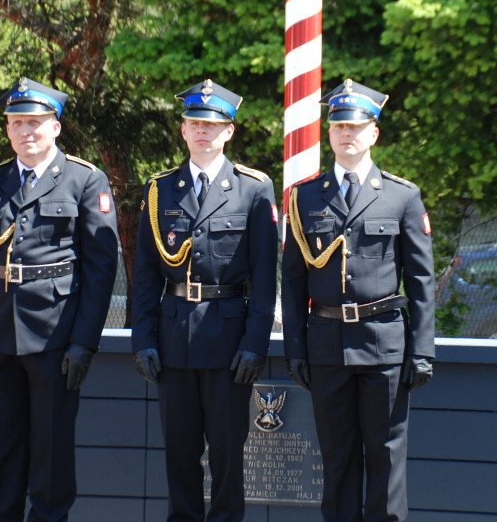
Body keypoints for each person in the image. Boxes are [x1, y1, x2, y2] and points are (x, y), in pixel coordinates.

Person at [0, 77, 120, 522]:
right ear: (7, 129)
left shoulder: (85, 180)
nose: (25, 131)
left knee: (50, 463)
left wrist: (84, 342)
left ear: (55, 127)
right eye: (16, 122)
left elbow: (101, 271)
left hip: (55, 339)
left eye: (35, 122)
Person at [282, 79, 436, 522]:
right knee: (336, 459)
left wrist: (422, 351)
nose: (346, 133)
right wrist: (296, 349)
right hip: (327, 344)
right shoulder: (304, 197)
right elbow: (292, 282)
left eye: (355, 126)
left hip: (383, 344)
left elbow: (421, 280)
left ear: (374, 133)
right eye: (338, 126)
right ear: (329, 133)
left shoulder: (402, 196)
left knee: (386, 459)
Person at [131, 79, 279, 522]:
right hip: (173, 339)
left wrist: (255, 343)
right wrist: (143, 338)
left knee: (228, 460)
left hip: (230, 343)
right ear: (182, 129)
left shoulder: (253, 189)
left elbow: (264, 278)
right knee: (179, 458)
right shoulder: (160, 190)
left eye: (211, 125)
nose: (202, 131)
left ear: (228, 131)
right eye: (194, 123)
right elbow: (145, 274)